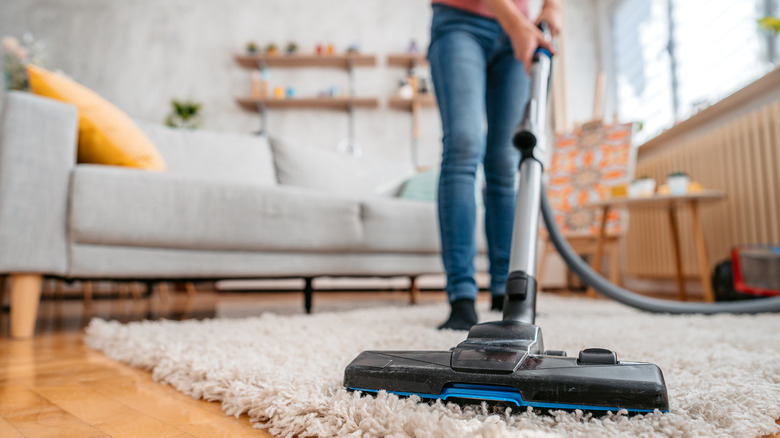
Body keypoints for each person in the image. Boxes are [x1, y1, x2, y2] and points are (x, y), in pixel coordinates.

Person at [428, 0, 561, 330]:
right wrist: (515, 22)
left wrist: (552, 7)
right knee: (464, 146)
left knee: (506, 161)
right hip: (460, 21)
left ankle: (506, 291)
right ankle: (462, 297)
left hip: (520, 27)